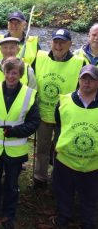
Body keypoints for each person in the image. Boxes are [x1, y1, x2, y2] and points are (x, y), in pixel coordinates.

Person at [0, 57, 40, 228]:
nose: (11, 76)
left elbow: (34, 122)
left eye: (15, 73)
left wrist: (15, 132)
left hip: (15, 149)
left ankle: (9, 214)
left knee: (12, 184)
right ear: (3, 72)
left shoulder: (29, 94)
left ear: (20, 75)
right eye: (8, 72)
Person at [33, 29, 85, 189]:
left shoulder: (79, 62)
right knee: (41, 148)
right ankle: (40, 178)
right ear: (51, 43)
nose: (58, 45)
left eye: (63, 42)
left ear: (70, 44)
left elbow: (83, 88)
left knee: (61, 150)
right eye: (56, 41)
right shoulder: (40, 58)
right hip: (43, 113)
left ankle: (59, 180)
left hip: (66, 116)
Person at [53, 65, 98, 228]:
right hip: (66, 160)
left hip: (93, 164)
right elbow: (58, 122)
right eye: (84, 78)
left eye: (92, 79)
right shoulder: (64, 101)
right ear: (78, 80)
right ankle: (64, 216)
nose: (87, 82)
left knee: (91, 195)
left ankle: (88, 220)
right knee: (64, 191)